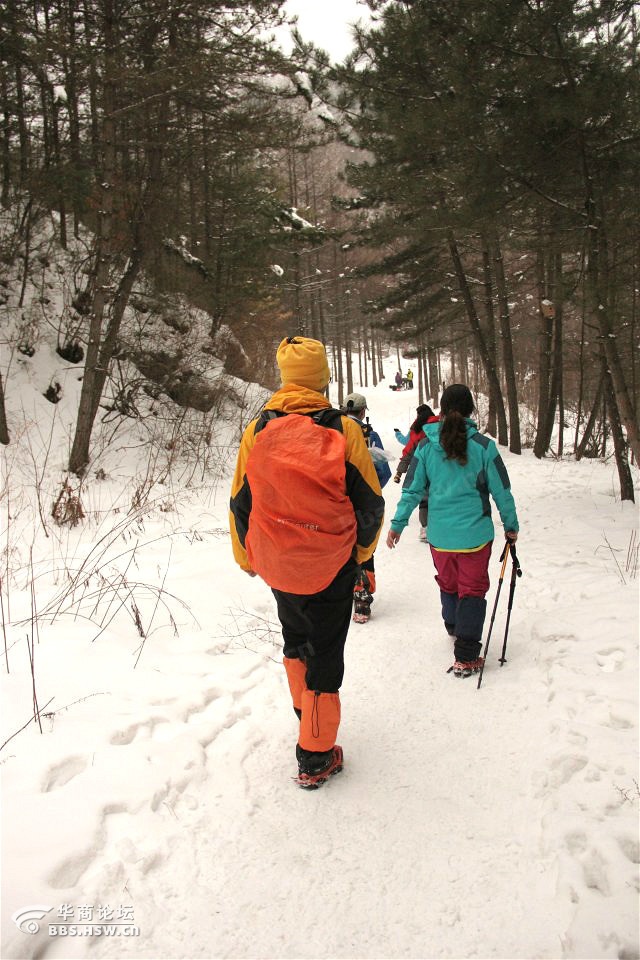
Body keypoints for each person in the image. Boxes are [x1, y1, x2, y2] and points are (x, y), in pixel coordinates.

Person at [229, 337, 385, 787]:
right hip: (330, 565)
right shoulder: (344, 430)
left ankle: (306, 716)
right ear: (322, 376)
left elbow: (241, 501)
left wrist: (247, 557)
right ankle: (315, 756)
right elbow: (369, 504)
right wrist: (359, 556)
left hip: (278, 564)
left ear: (284, 375)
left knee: (296, 640)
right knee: (326, 657)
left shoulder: (258, 429)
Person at [386, 384, 519, 678]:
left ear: (442, 410)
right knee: (472, 589)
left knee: (449, 584)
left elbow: (411, 490)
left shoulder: (425, 446)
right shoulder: (484, 447)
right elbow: (502, 491)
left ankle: (454, 626)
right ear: (471, 410)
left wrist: (397, 525)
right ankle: (467, 655)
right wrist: (511, 526)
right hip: (475, 536)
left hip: (440, 537)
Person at [340, 392, 392, 621]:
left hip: (338, 503)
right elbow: (384, 472)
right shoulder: (370, 436)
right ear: (363, 412)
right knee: (365, 547)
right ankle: (361, 601)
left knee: (341, 548)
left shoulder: (333, 432)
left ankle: (340, 596)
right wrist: (370, 490)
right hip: (364, 505)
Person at [393, 403, 437, 541]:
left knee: (424, 500)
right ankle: (438, 526)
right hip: (437, 467)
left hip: (419, 468)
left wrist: (400, 472)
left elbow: (409, 447)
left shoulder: (416, 429)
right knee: (437, 497)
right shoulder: (440, 426)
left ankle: (425, 528)